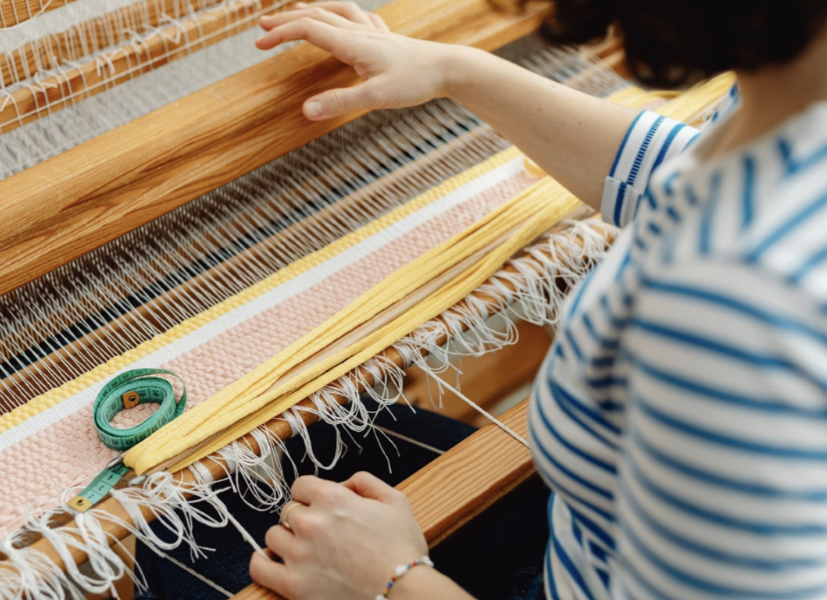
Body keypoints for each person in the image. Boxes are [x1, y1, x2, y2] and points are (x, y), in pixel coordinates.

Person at [240, 1, 827, 599]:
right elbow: (688, 172)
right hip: (598, 539)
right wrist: (456, 70)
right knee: (280, 466)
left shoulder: (729, 309)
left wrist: (387, 580)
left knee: (195, 534)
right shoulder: (796, 102)